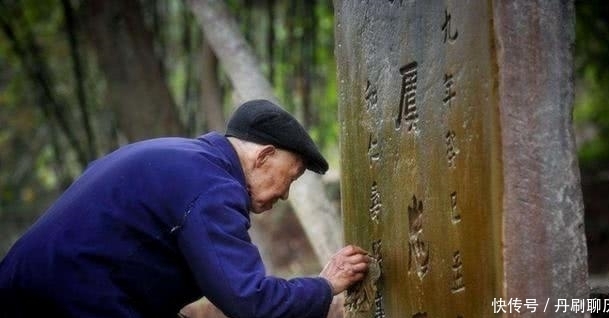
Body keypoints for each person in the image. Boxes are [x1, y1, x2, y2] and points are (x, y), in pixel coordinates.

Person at [0, 99, 370, 317]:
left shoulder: (185, 159)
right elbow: (249, 301)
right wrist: (324, 286)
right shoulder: (212, 185)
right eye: (290, 178)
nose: (285, 195)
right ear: (264, 156)